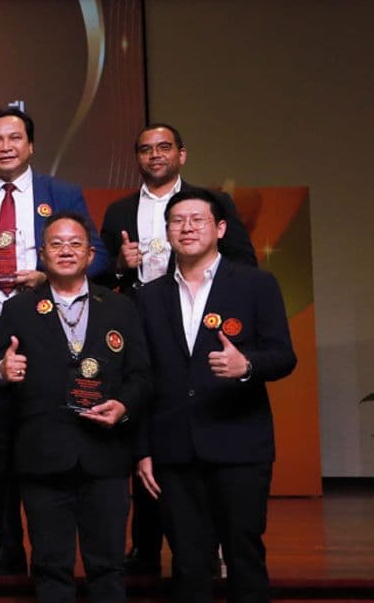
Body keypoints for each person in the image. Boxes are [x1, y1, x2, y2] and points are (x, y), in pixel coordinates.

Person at [135, 187, 296, 603]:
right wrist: (144, 448)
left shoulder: (255, 284)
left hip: (240, 445)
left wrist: (246, 365)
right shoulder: (151, 295)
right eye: (176, 220)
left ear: (220, 228)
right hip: (175, 450)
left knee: (245, 557)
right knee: (187, 561)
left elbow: (283, 355)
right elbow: (143, 378)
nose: (186, 228)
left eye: (197, 219)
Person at [0, 213, 150, 603]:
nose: (65, 250)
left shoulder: (120, 308)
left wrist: (124, 405)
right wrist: (3, 368)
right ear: (43, 254)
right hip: (43, 458)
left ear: (89, 254)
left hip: (104, 456)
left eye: (74, 244)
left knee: (106, 569)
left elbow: (143, 375)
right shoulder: (18, 309)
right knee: (52, 568)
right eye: (55, 244)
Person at [0, 107, 108, 577]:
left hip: (53, 329)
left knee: (51, 432)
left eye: (15, 138)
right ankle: (7, 542)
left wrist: (50, 274)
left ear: (31, 145)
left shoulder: (63, 194)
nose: (6, 147)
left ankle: (55, 544)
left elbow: (96, 259)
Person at [99, 123, 257, 576]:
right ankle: (146, 547)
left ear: (181, 155)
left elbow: (243, 260)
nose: (155, 156)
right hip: (140, 328)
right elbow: (105, 282)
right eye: (145, 150)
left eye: (164, 147)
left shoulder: (209, 204)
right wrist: (120, 267)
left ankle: (210, 546)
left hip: (201, 327)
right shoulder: (119, 212)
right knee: (146, 430)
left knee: (193, 438)